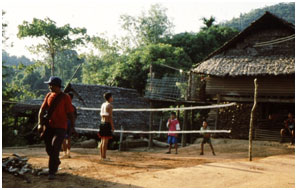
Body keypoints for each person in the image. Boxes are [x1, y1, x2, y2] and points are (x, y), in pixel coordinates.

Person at [38, 76, 76, 180]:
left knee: (55, 147)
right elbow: (41, 110)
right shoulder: (48, 95)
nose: (49, 86)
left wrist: (72, 126)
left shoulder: (65, 97)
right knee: (48, 147)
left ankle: (52, 171)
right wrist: (40, 123)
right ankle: (56, 161)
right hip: (49, 125)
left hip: (61, 127)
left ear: (57, 86)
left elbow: (70, 113)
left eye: (51, 85)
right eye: (49, 84)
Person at [98, 92, 115, 161]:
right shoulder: (110, 106)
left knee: (102, 141)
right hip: (107, 124)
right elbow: (110, 117)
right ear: (109, 98)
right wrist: (112, 126)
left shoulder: (103, 104)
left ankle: (102, 156)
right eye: (112, 97)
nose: (112, 98)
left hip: (102, 123)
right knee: (105, 141)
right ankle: (104, 157)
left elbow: (101, 114)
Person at [62, 93, 77, 158]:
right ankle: (68, 153)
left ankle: (65, 153)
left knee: (63, 138)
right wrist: (73, 125)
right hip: (70, 123)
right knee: (68, 138)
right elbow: (74, 116)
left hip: (65, 122)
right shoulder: (73, 107)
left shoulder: (64, 106)